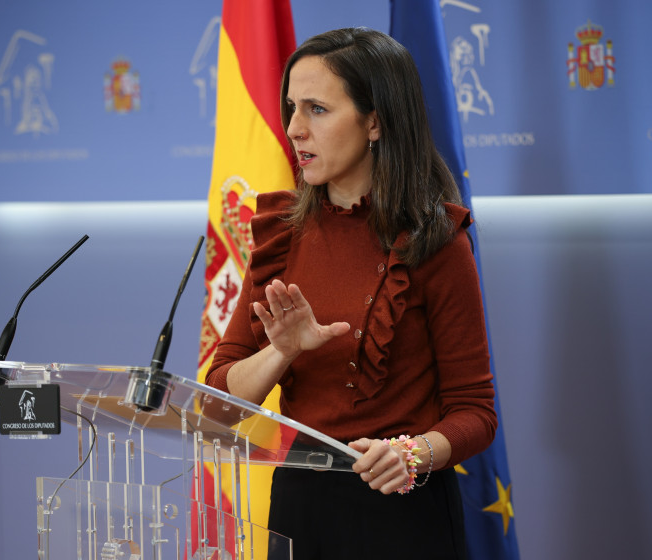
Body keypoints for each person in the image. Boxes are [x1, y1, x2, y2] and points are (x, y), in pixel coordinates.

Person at [205, 27, 497, 560]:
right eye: (292, 107)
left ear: (375, 122)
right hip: (299, 506)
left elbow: (475, 412)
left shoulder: (436, 240)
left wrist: (412, 453)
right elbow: (218, 401)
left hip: (402, 512)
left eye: (317, 109)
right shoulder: (280, 235)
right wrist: (282, 350)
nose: (294, 129)